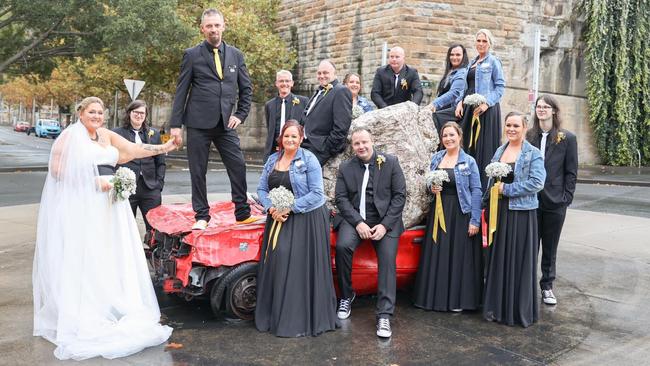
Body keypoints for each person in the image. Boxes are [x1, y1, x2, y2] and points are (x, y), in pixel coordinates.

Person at [33, 97, 177, 360]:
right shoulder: (69, 137)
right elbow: (56, 170)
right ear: (81, 113)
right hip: (87, 204)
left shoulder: (106, 135)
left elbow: (135, 149)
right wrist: (91, 182)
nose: (97, 116)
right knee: (89, 252)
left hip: (114, 206)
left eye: (100, 112)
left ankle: (113, 302)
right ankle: (88, 309)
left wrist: (164, 146)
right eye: (92, 112)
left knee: (113, 253)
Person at [169, 8, 255, 230]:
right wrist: (175, 126)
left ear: (223, 26)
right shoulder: (192, 54)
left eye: (217, 25)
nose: (213, 29)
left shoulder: (236, 55)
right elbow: (182, 91)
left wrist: (240, 114)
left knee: (238, 165)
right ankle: (202, 215)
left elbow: (246, 89)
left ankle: (243, 212)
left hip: (226, 123)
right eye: (209, 26)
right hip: (198, 123)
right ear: (202, 29)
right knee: (198, 170)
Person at [255, 120, 338, 337]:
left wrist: (289, 208)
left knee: (295, 265)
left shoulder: (309, 159)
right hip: (277, 217)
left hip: (306, 218)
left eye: (294, 136)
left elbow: (317, 194)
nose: (290, 140)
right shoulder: (273, 159)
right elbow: (262, 188)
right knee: (278, 261)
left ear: (301, 139)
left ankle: (299, 319)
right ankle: (276, 315)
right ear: (281, 139)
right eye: (286, 136)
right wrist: (272, 207)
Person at [334, 128, 406, 338]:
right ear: (352, 146)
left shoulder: (390, 162)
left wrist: (384, 226)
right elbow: (341, 198)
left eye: (364, 142)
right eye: (357, 144)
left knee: (387, 259)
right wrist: (358, 223)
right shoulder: (346, 167)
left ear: (372, 141)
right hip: (356, 219)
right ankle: (347, 295)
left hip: (385, 221)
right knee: (342, 246)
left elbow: (400, 196)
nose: (361, 147)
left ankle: (384, 314)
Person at [483, 111, 545, 328]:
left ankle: (516, 311)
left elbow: (537, 183)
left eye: (516, 126)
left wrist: (507, 189)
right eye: (508, 125)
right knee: (499, 259)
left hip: (521, 214)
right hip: (498, 213)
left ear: (524, 128)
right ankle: (498, 308)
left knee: (517, 261)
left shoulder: (532, 153)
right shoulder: (500, 150)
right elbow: (491, 181)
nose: (511, 129)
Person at [413, 122, 482, 312]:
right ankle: (435, 299)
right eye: (445, 136)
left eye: (452, 135)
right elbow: (426, 184)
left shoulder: (469, 161)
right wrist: (431, 187)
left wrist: (475, 220)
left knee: (458, 257)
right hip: (439, 213)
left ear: (460, 136)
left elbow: (476, 190)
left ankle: (457, 301)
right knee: (438, 254)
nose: (448, 139)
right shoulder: (436, 158)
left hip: (460, 214)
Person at [526, 95, 578, 305]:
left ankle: (547, 286)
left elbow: (571, 171)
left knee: (550, 246)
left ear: (554, 111)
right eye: (539, 106)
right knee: (529, 245)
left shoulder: (568, 138)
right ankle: (526, 285)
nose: (541, 110)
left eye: (546, 107)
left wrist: (566, 198)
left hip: (555, 202)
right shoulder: (529, 136)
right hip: (531, 200)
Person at [455, 29, 506, 189]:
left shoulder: (493, 62)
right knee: (467, 145)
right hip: (469, 109)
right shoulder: (471, 62)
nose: (481, 44)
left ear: (490, 43)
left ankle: (483, 188)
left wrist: (486, 103)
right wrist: (459, 102)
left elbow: (500, 87)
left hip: (486, 110)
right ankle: (466, 182)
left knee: (483, 148)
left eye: (484, 41)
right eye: (479, 41)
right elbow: (466, 86)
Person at [112, 100, 166, 235]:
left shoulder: (154, 134)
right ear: (129, 113)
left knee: (155, 226)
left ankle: (156, 252)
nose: (139, 115)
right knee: (125, 226)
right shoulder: (117, 133)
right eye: (135, 112)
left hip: (150, 188)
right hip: (127, 189)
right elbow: (112, 159)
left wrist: (159, 184)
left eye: (142, 113)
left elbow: (160, 162)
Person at [301, 59, 353, 166]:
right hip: (304, 144)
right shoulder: (320, 91)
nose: (321, 76)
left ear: (334, 73)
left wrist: (327, 148)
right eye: (319, 73)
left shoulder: (340, 91)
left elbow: (342, 126)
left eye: (325, 73)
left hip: (319, 148)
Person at [263, 70, 308, 161]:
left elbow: (306, 126)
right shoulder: (269, 105)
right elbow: (270, 128)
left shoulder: (303, 102)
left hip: (296, 150)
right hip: (274, 151)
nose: (284, 84)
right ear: (276, 83)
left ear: (292, 83)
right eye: (281, 81)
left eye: (287, 81)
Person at [431, 44, 469, 132]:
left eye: (458, 55)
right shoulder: (450, 71)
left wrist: (434, 104)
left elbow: (454, 94)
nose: (454, 57)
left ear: (464, 56)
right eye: (452, 55)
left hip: (452, 112)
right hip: (443, 108)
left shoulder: (462, 73)